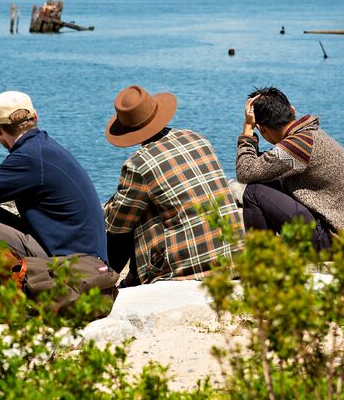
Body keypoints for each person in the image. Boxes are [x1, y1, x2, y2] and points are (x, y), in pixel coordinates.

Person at [103, 85, 244, 286]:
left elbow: (117, 223)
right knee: (149, 201)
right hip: (233, 257)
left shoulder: (139, 163)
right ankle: (125, 280)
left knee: (130, 217)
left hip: (191, 267)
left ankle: (102, 284)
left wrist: (107, 207)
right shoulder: (197, 138)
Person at [0, 90, 108, 262]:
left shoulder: (29, 158)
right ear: (35, 117)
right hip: (88, 257)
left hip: (71, 266)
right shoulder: (45, 147)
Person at [236, 87, 344, 249]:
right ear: (292, 110)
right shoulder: (309, 136)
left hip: (333, 239)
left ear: (262, 129)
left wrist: (247, 130)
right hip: (340, 232)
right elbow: (262, 168)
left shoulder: (299, 145)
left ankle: (262, 261)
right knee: (266, 183)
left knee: (253, 192)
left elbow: (245, 172)